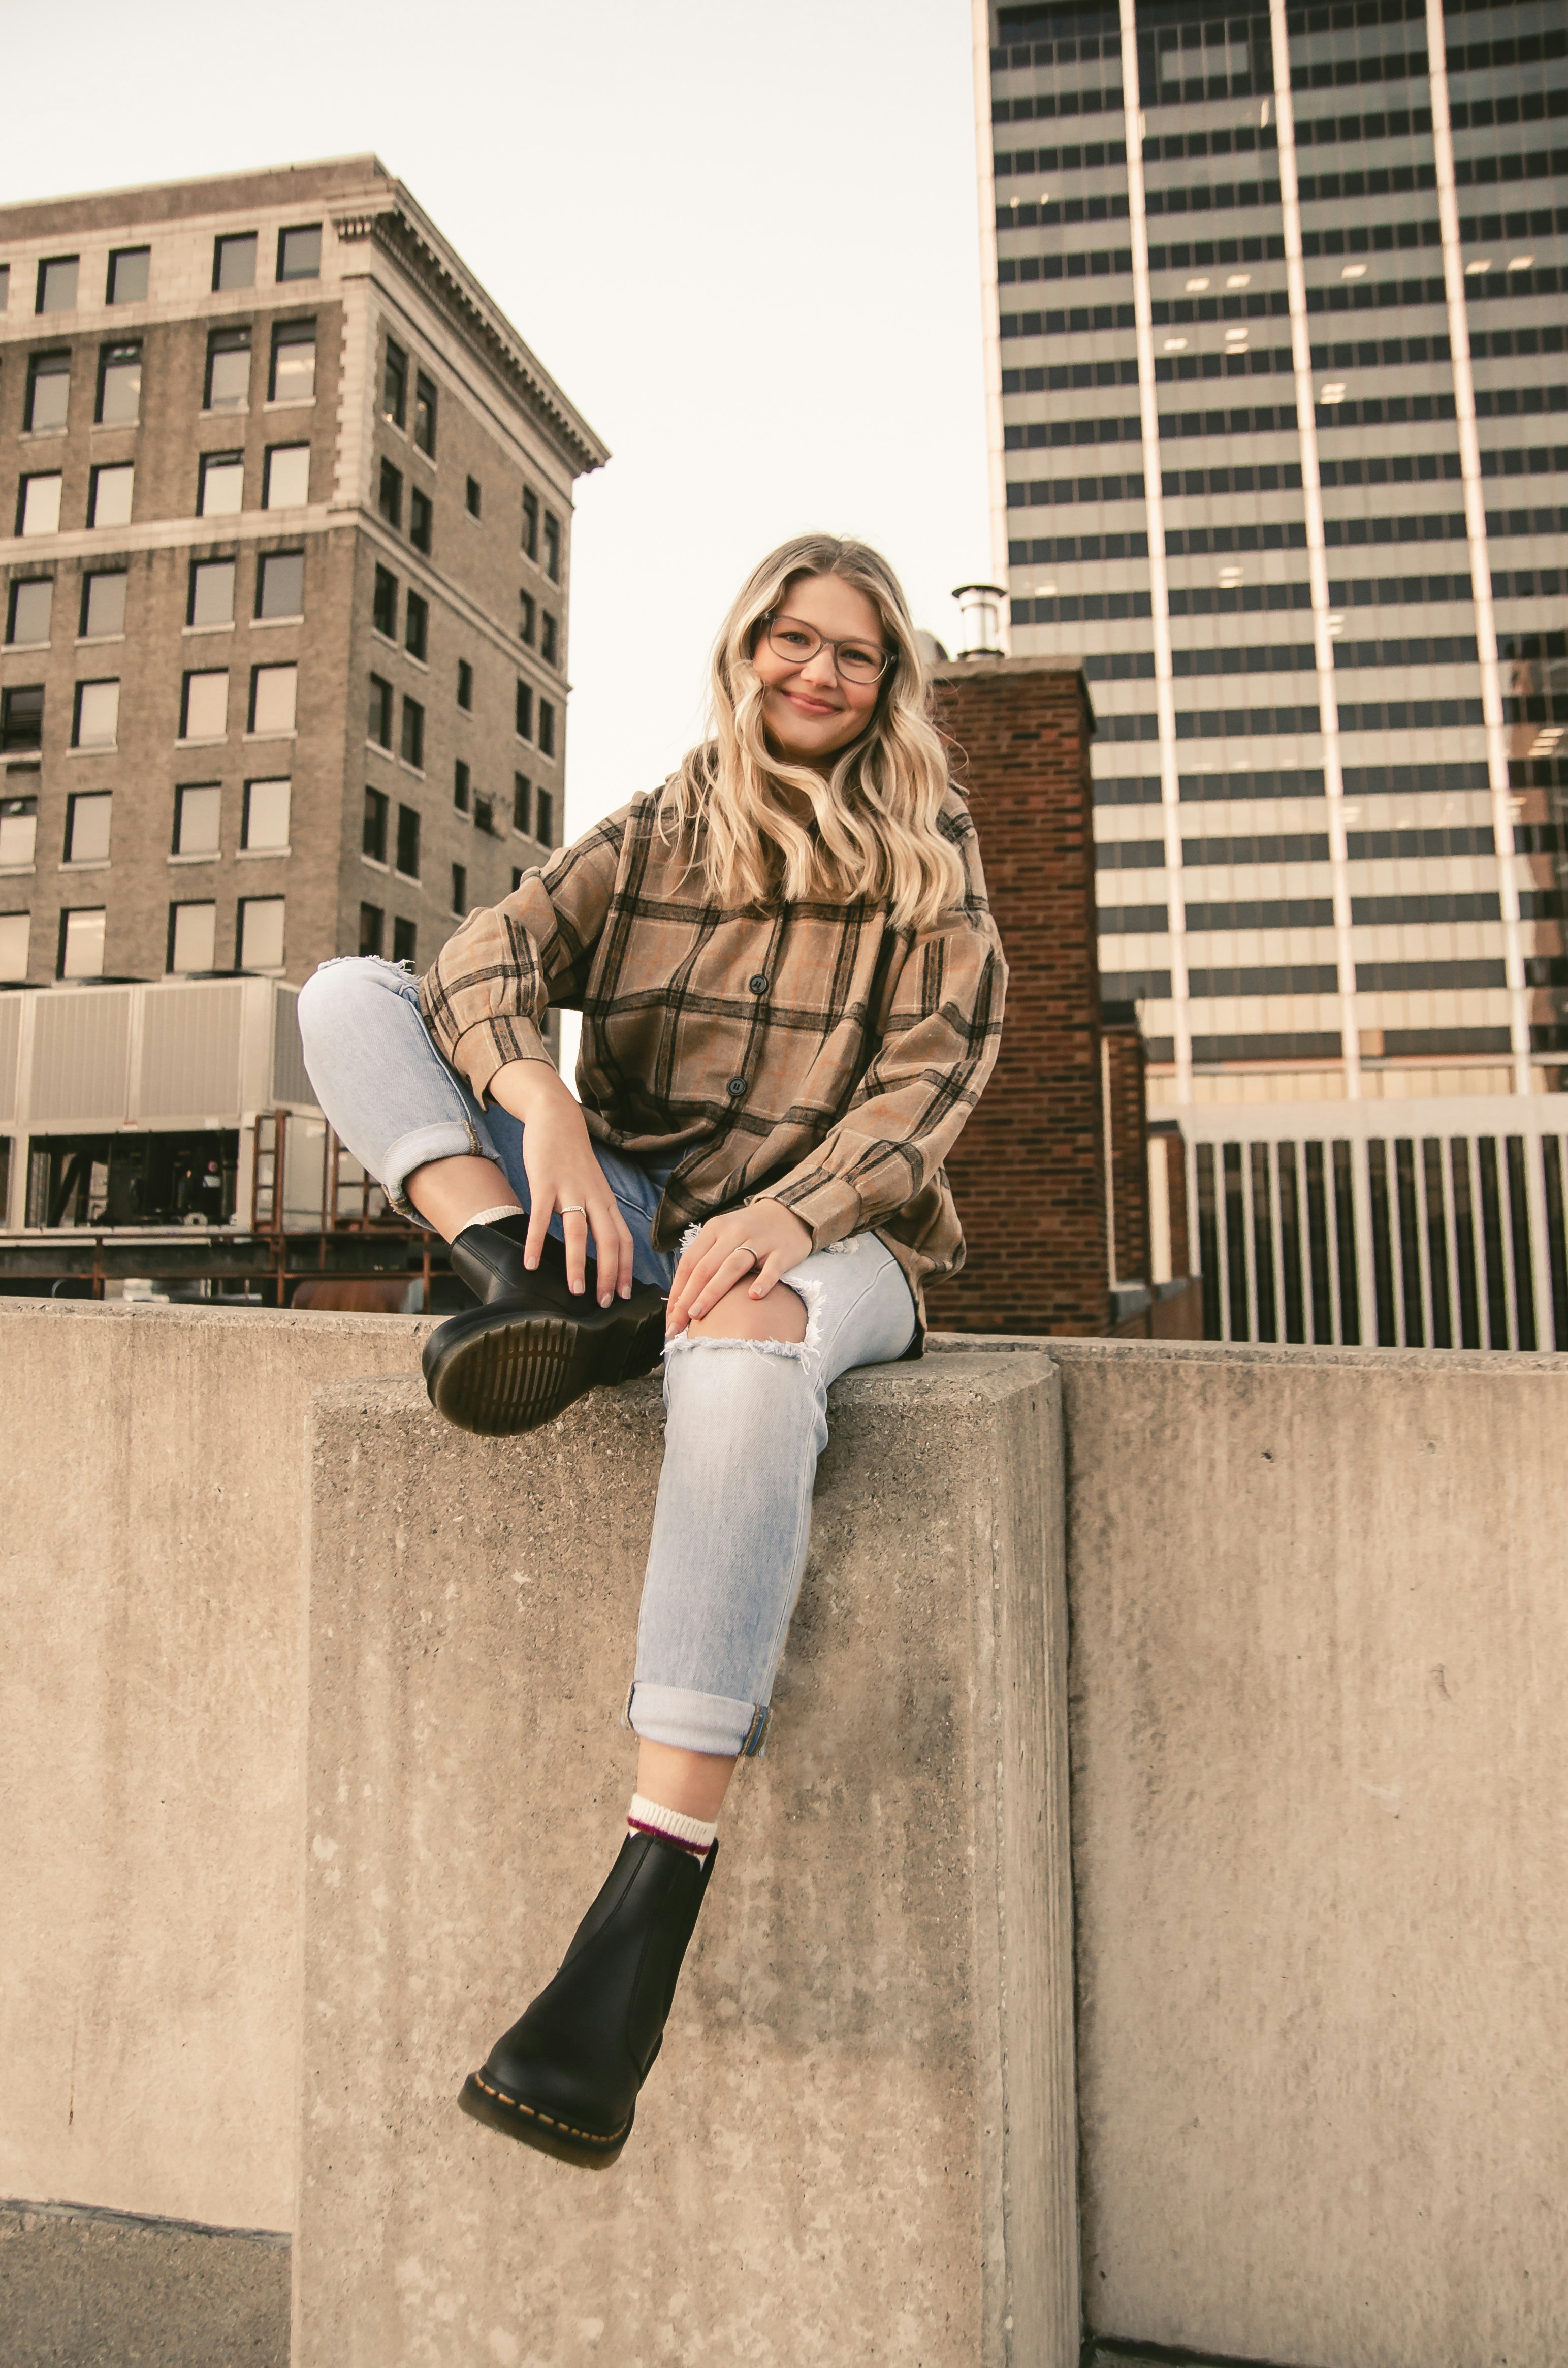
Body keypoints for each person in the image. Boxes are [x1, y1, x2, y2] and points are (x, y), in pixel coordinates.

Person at [296, 532, 1005, 2170]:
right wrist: (537, 1097)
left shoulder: (932, 855)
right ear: (748, 648)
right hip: (629, 1216)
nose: (819, 672)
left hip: (841, 1242)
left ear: (890, 682)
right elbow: (480, 957)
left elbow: (930, 1089)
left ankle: (642, 1916)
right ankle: (524, 1286)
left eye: (856, 653)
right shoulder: (671, 815)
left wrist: (794, 1218)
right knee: (347, 994)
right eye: (793, 639)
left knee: (742, 1354)